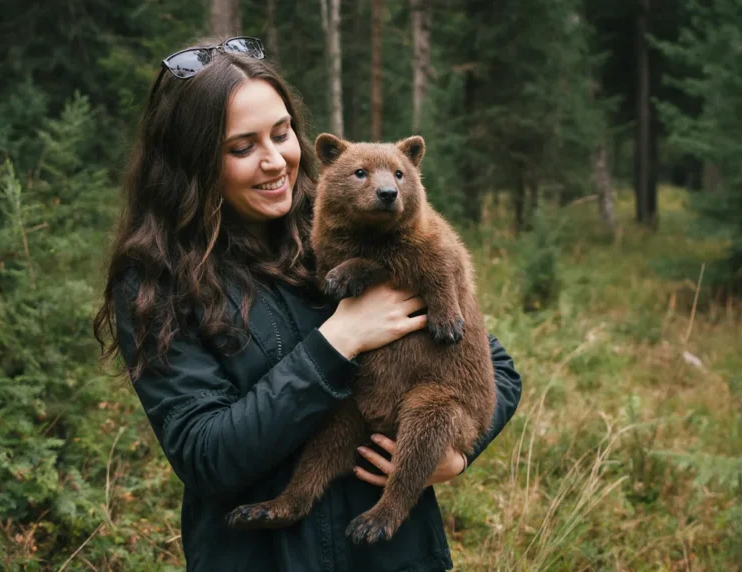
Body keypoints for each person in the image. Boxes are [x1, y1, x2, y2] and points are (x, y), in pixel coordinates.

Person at [93, 36, 522, 571]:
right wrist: (338, 340)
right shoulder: (157, 283)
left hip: (389, 556)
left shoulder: (343, 225)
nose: (275, 161)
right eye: (242, 148)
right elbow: (206, 455)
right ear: (193, 160)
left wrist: (455, 452)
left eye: (281, 134)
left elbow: (493, 365)